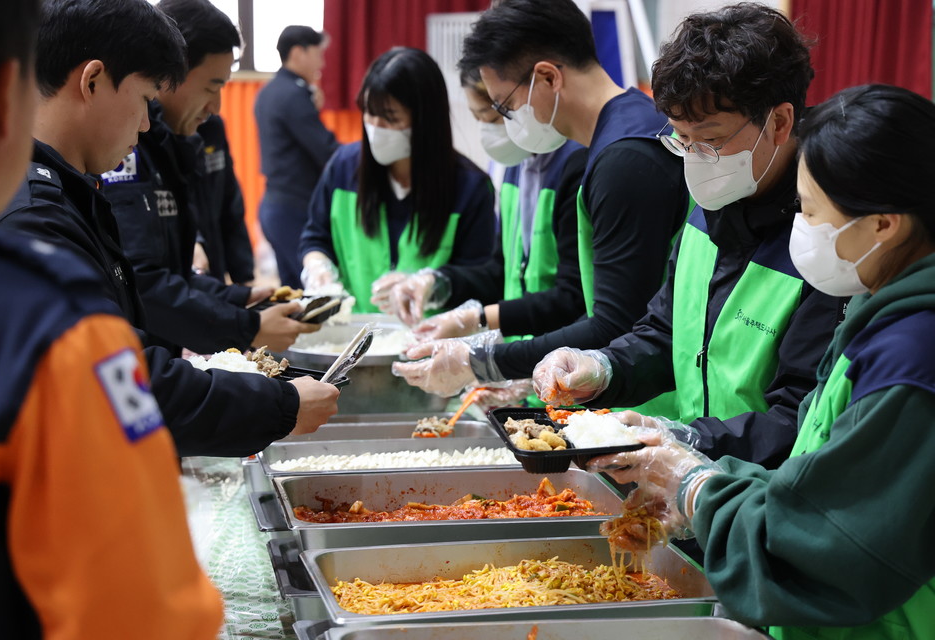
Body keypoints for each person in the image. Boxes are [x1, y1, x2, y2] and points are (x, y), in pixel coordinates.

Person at [597, 83, 935, 640]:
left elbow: (831, 542)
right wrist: (708, 481)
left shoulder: (912, 356)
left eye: (810, 210)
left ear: (883, 224)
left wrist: (696, 486)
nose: (801, 225)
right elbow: (816, 471)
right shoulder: (878, 310)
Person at [0, 0, 340, 457]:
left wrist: (236, 303)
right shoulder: (32, 215)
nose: (145, 124)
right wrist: (278, 404)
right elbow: (119, 385)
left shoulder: (65, 192)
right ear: (92, 81)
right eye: (144, 100)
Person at [0, 0, 222, 636]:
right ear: (5, 94)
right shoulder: (48, 317)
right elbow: (141, 606)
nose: (145, 126)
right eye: (143, 102)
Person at [532, 3, 846, 468]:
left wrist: (686, 439)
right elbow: (666, 332)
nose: (696, 159)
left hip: (761, 492)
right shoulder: (714, 201)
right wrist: (603, 368)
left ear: (779, 123)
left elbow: (800, 413)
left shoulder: (826, 238)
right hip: (694, 482)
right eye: (682, 139)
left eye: (711, 141)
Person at [392, 0, 687, 400]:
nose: (509, 120)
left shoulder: (625, 161)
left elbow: (615, 325)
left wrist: (480, 362)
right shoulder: (628, 125)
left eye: (506, 106)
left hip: (654, 403)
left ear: (547, 77)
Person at [100, 0, 313, 355]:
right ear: (170, 72)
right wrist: (245, 327)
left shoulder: (182, 139)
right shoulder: (127, 148)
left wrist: (238, 296)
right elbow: (141, 280)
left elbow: (221, 214)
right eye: (211, 87)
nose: (215, 107)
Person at [383, 69, 587, 407]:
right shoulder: (517, 165)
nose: (487, 130)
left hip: (569, 372)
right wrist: (438, 282)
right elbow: (500, 271)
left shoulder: (575, 166)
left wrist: (476, 323)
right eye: (477, 118)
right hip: (528, 368)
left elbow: (572, 298)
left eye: (492, 117)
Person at [300, 47, 496, 313]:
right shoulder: (343, 167)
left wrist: (432, 284)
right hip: (354, 332)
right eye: (369, 112)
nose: (375, 126)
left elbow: (481, 277)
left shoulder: (470, 187)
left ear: (425, 120)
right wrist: (317, 267)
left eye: (390, 118)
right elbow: (315, 237)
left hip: (430, 334)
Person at [255, 25, 339, 288]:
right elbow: (325, 149)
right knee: (319, 289)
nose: (322, 63)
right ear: (297, 53)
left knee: (295, 292)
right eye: (318, 54)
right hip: (294, 208)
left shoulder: (269, 90)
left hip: (276, 204)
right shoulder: (294, 94)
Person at [193, 113, 255, 285]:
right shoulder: (152, 130)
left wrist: (244, 276)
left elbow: (231, 204)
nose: (214, 106)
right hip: (186, 269)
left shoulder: (213, 125)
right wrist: (193, 241)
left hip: (214, 260)